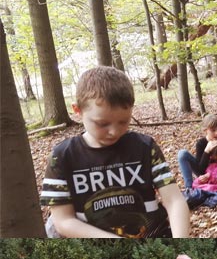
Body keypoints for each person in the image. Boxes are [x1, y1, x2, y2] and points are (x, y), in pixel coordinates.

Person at [40, 66, 190, 238]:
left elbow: (174, 200)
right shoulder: (63, 157)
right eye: (102, 123)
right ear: (78, 111)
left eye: (123, 122)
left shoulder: (145, 148)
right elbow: (63, 221)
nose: (114, 131)